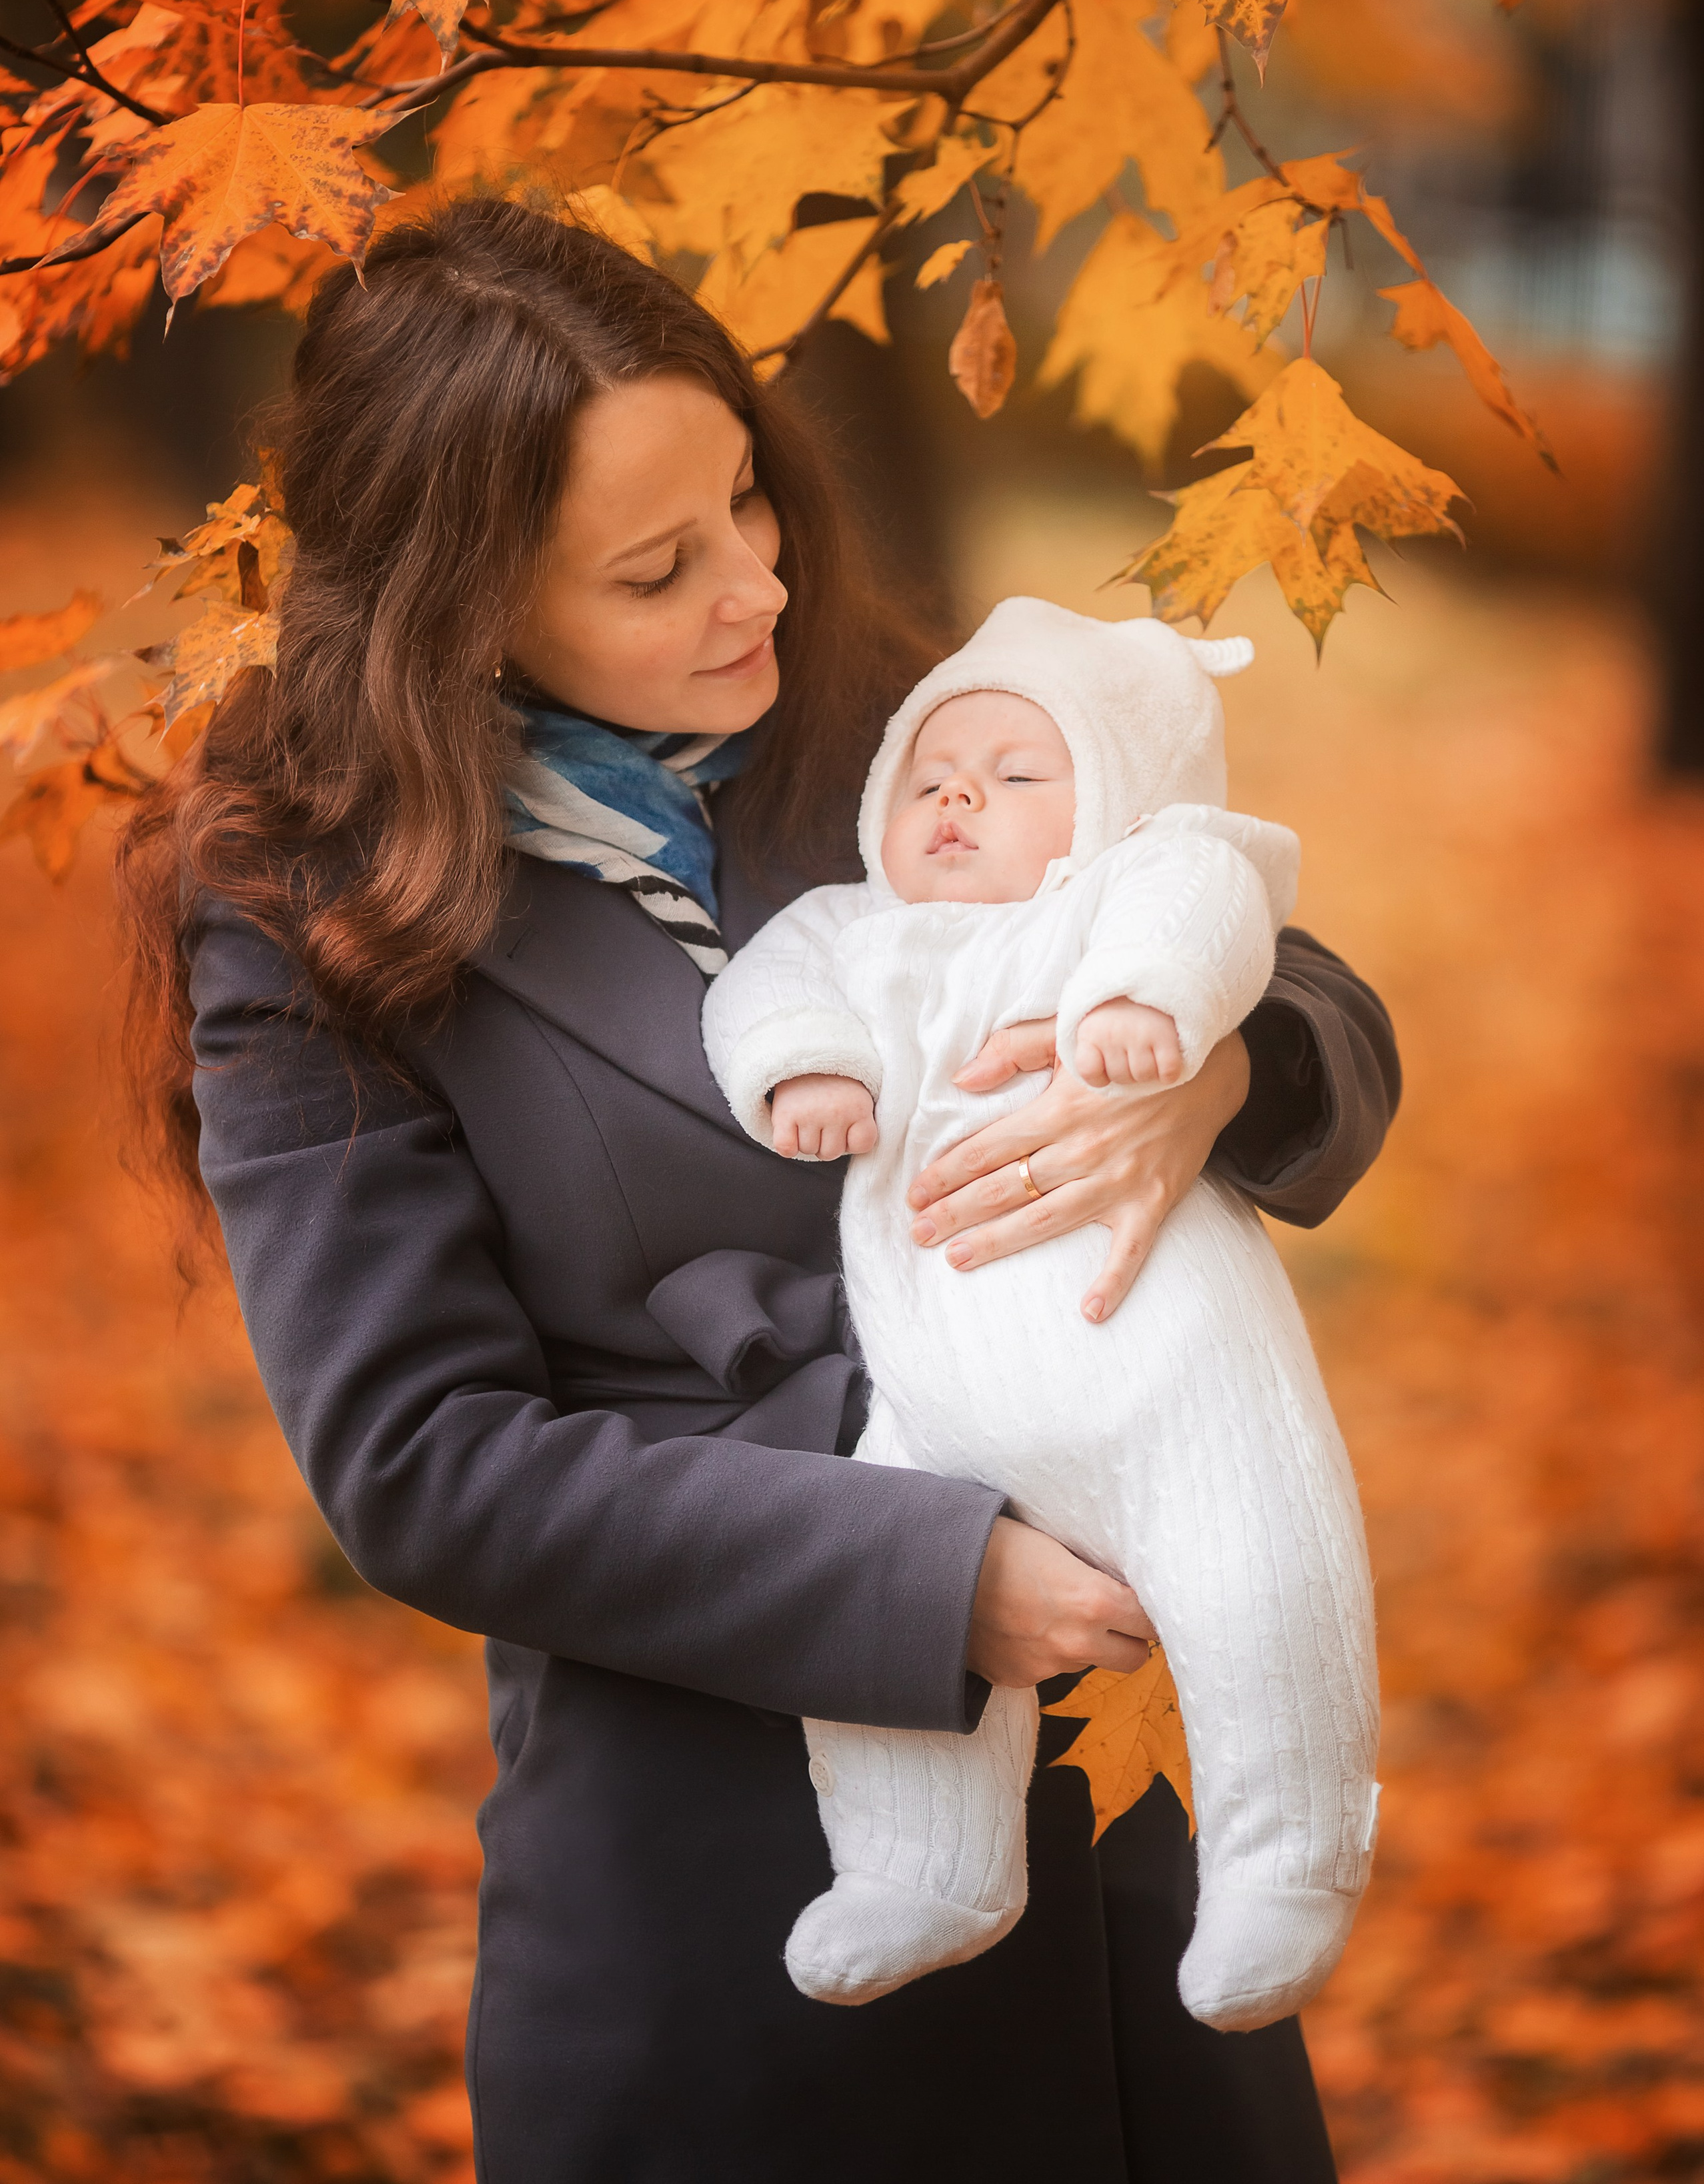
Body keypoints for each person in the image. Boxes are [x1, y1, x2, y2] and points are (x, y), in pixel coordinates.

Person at [119, 196, 1401, 2184]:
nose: (755, 590)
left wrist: (1211, 1071)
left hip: (1124, 1832)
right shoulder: (309, 913)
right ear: (457, 612)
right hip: (730, 1874)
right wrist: (930, 1580)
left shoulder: (872, 716)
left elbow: (1237, 914)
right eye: (658, 568)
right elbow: (422, 1458)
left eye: (745, 501)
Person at [702, 602, 1379, 2027]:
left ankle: (1286, 1862)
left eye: (1017, 776)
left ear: (1110, 806)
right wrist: (806, 1070)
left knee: (1261, 1592)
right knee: (879, 1605)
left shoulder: (1125, 883)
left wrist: (1165, 1012)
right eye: (931, 777)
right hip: (936, 1404)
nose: (960, 796)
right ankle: (921, 1865)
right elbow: (760, 991)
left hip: (1172, 1380)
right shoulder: (849, 929)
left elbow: (1207, 903)